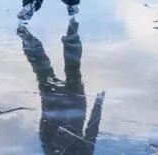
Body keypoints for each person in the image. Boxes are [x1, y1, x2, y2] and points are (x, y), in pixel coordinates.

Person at [18, 20, 105, 154]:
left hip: (72, 107)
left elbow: (92, 131)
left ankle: (71, 36)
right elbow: (44, 134)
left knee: (70, 69)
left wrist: (98, 105)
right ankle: (29, 40)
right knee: (45, 71)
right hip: (56, 110)